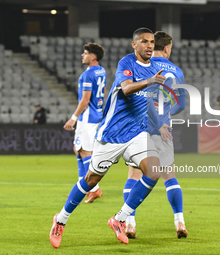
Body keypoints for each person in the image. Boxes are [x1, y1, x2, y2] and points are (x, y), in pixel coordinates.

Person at [50, 27, 166, 248]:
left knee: (154, 171)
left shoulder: (156, 69)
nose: (150, 45)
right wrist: (150, 81)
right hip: (112, 134)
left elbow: (147, 101)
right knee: (91, 181)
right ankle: (61, 220)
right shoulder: (127, 63)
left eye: (152, 42)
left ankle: (119, 219)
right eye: (144, 41)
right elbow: (127, 89)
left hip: (136, 133)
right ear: (135, 44)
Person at [123, 31, 188, 239]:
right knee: (169, 175)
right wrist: (165, 116)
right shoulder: (176, 70)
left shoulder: (142, 65)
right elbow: (182, 103)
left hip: (139, 126)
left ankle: (130, 223)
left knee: (134, 174)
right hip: (163, 128)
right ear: (167, 48)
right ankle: (180, 222)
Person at [63, 42, 106, 203]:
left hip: (87, 118)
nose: (83, 55)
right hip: (97, 115)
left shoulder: (87, 75)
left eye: (86, 53)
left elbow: (85, 99)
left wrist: (73, 118)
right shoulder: (102, 71)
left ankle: (94, 189)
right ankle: (81, 187)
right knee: (78, 150)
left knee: (85, 151)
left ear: (93, 56)